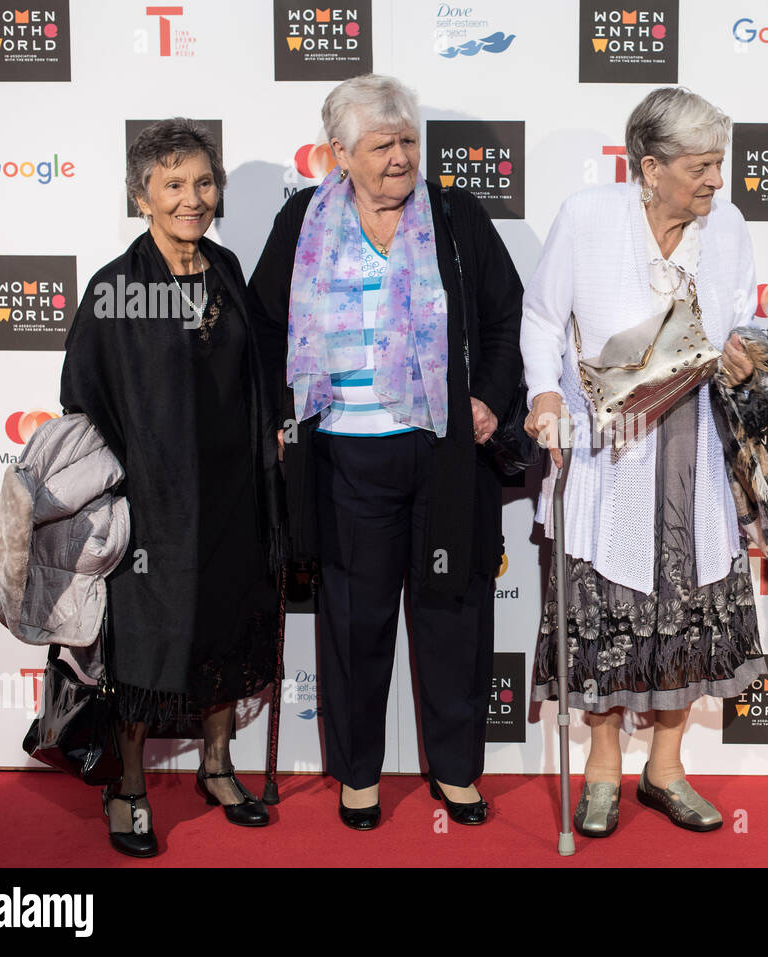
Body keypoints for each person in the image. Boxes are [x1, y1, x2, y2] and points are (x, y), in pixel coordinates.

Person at [246, 74, 523, 830]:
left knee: (452, 618)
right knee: (352, 623)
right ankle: (358, 774)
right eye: (381, 145)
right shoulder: (303, 222)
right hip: (343, 460)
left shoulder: (456, 216)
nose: (401, 157)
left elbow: (504, 318)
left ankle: (458, 772)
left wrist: (490, 399)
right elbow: (266, 326)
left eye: (408, 141)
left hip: (441, 458)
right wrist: (280, 412)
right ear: (339, 154)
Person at [522, 87, 768, 838]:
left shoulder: (725, 227)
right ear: (651, 167)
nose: (715, 182)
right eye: (701, 166)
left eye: (718, 165)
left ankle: (664, 766)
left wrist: (745, 351)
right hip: (605, 451)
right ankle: (602, 767)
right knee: (604, 611)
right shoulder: (588, 218)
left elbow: (747, 318)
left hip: (694, 447)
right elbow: (540, 316)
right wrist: (543, 396)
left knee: (687, 609)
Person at [61, 118, 284, 857]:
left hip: (230, 497)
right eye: (174, 185)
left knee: (223, 626)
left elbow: (255, 375)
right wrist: (121, 491)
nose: (193, 198)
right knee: (142, 649)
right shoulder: (118, 289)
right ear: (142, 195)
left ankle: (216, 767)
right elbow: (83, 398)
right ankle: (127, 787)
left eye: (203, 182)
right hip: (151, 506)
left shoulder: (223, 267)